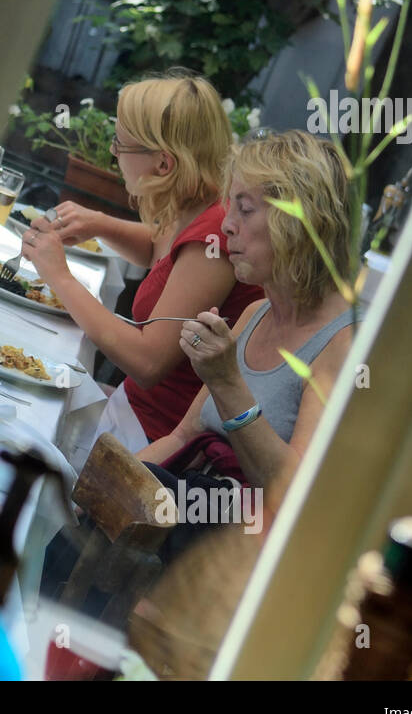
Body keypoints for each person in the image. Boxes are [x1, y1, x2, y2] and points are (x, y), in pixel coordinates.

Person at [22, 72, 263, 463]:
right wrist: (99, 224)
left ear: (164, 163)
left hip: (149, 445)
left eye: (120, 145)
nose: (113, 154)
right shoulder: (198, 202)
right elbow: (163, 251)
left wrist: (59, 277)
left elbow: (148, 362)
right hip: (132, 414)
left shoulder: (215, 237)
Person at [137, 128, 360, 550]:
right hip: (182, 530)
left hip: (233, 564)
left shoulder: (343, 344)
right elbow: (182, 437)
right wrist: (100, 482)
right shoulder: (256, 313)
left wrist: (227, 383)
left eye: (245, 210)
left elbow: (293, 492)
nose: (226, 226)